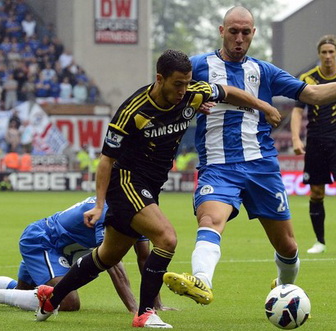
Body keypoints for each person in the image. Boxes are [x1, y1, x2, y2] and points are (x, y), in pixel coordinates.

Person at [33, 49, 284, 328]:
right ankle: (145, 313)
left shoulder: (192, 94)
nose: (184, 90)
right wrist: (99, 205)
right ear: (159, 79)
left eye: (187, 83)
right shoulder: (133, 111)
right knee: (167, 238)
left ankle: (51, 297)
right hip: (126, 181)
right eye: (178, 84)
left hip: (152, 185)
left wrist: (265, 106)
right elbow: (106, 160)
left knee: (108, 255)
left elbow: (228, 91)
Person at [162, 6, 336, 306]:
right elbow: (168, 93)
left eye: (245, 32)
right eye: (233, 31)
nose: (239, 38)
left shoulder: (265, 71)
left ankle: (283, 288)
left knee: (288, 246)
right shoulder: (199, 66)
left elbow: (315, 95)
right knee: (211, 220)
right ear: (221, 31)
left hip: (262, 167)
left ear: (253, 33)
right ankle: (202, 280)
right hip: (218, 166)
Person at [0, 196, 168, 314]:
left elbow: (145, 258)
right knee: (66, 302)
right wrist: (135, 309)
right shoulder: (109, 210)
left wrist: (154, 303)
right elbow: (111, 261)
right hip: (43, 241)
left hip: (57, 246)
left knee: (21, 294)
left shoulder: (137, 210)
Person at [290, 35, 336, 255]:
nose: (328, 56)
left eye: (331, 52)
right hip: (315, 144)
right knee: (316, 192)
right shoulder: (308, 79)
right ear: (319, 54)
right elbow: (297, 111)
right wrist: (296, 138)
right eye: (324, 52)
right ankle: (320, 242)